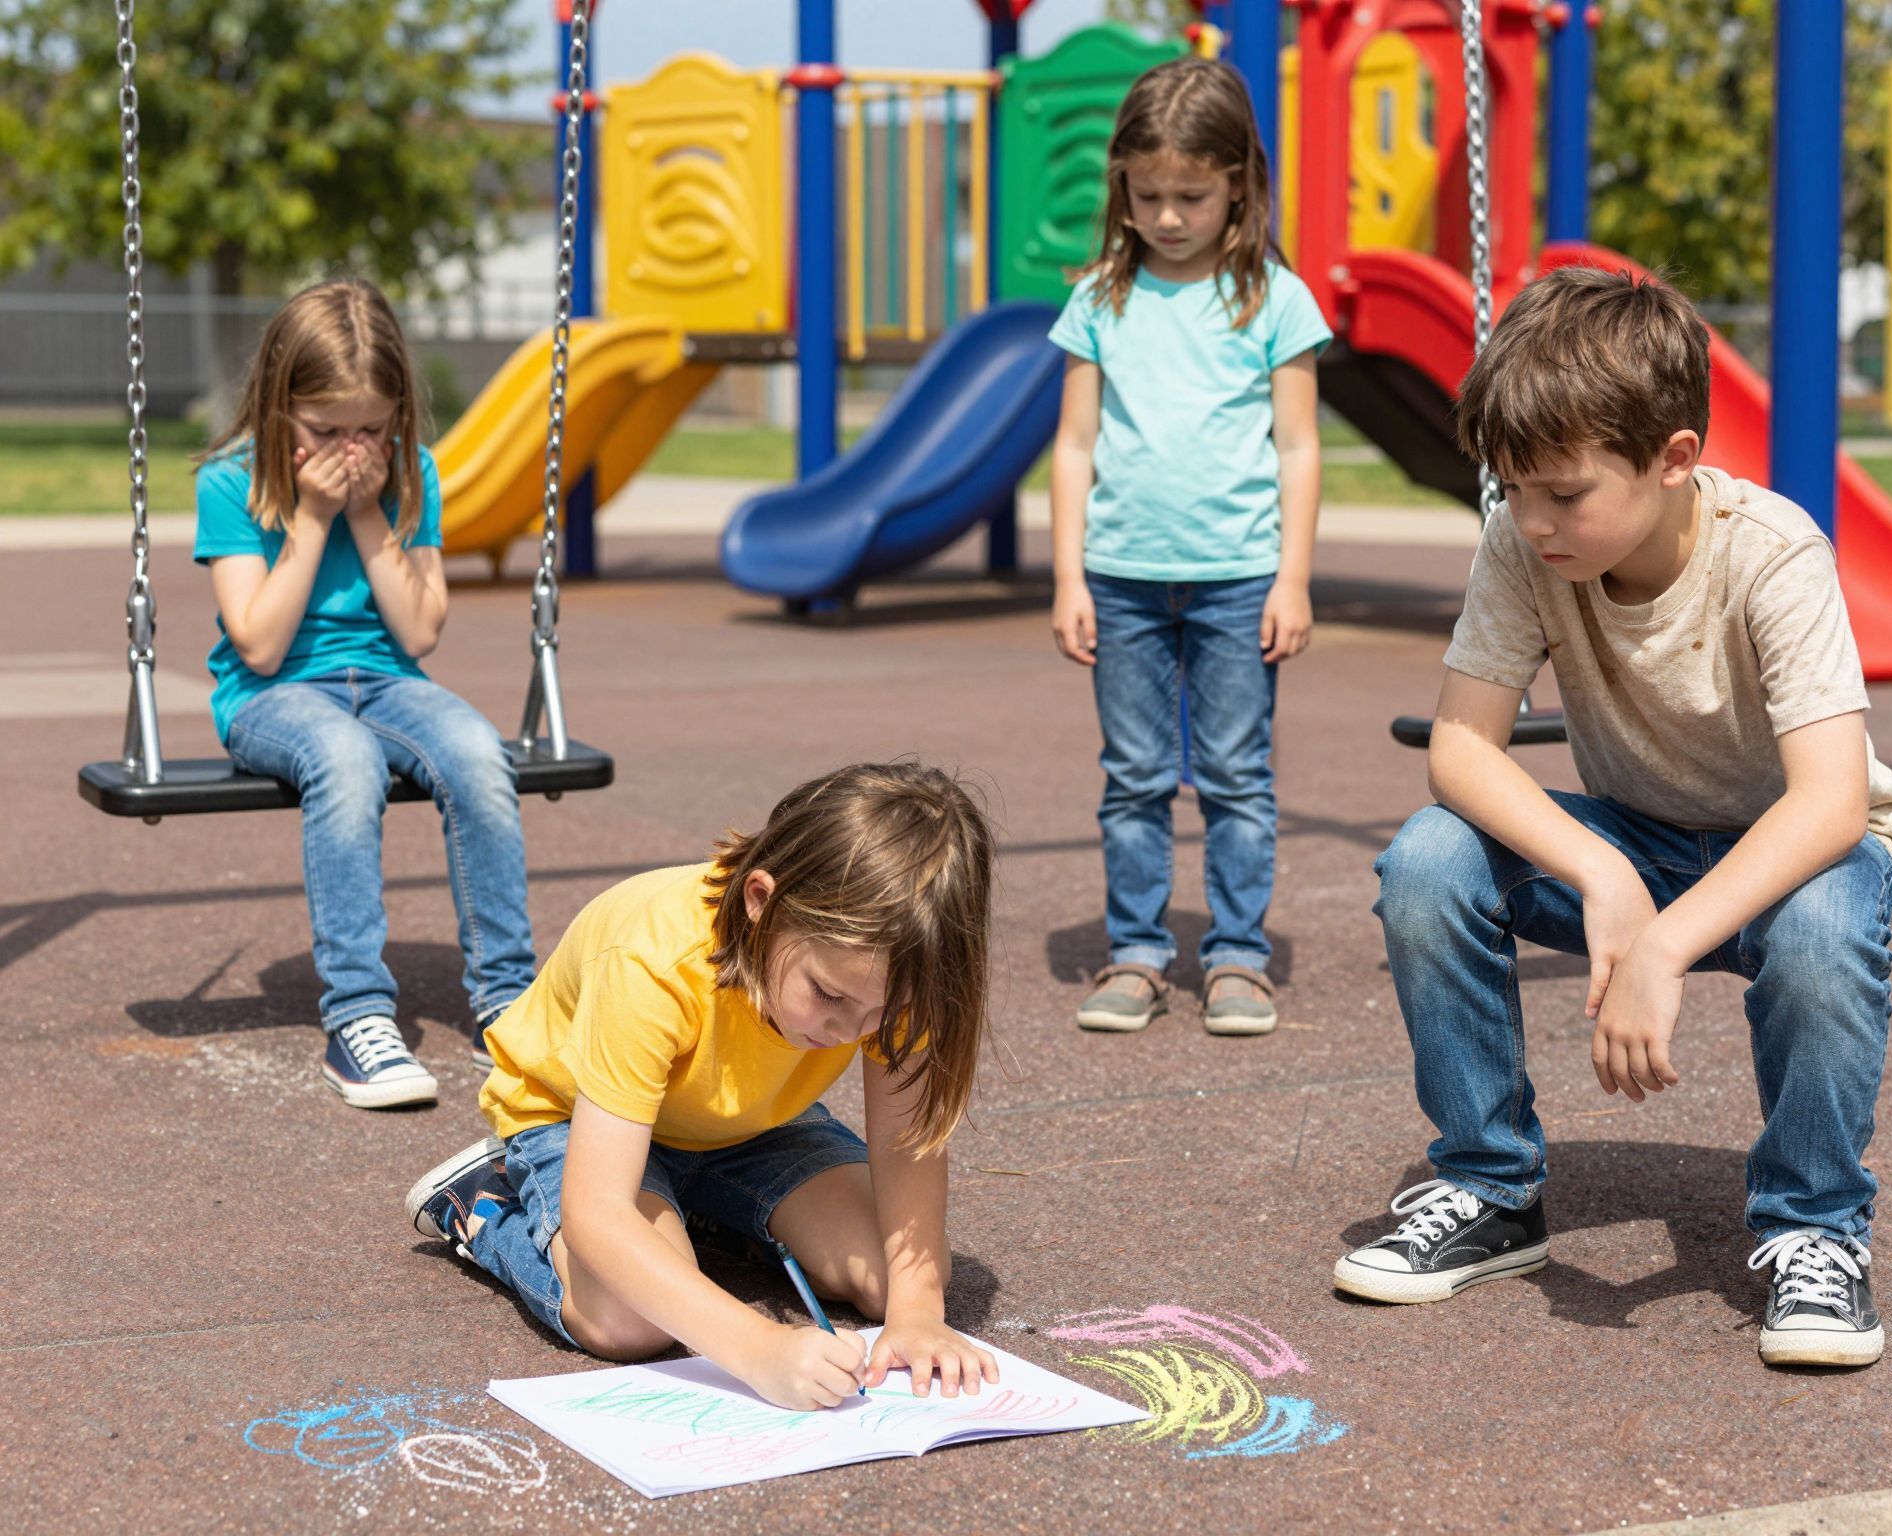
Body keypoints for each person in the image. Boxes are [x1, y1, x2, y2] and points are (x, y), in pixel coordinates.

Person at [1333, 267, 1892, 1370]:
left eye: (1563, 494)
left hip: (1801, 852)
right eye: (1512, 489)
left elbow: (1830, 802)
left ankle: (1815, 1227)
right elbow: (1460, 748)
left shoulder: (1772, 551)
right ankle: (1488, 1188)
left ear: (1674, 458)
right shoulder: (1521, 543)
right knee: (1428, 863)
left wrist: (1663, 942)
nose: (1533, 520)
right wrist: (1606, 880)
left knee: (1821, 935)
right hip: (1635, 835)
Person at [405, 762, 1002, 1410]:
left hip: (752, 1124)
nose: (849, 1030)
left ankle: (704, 1214)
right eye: (828, 994)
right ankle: (485, 1206)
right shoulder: (653, 959)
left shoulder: (905, 959)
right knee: (627, 1322)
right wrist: (759, 1349)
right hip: (575, 1117)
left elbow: (907, 1142)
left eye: (881, 1014)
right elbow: (599, 1211)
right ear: (761, 901)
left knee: (900, 1274)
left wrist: (918, 1313)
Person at [193, 279, 537, 1109]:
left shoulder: (412, 474)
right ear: (280, 409)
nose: (352, 450)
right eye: (326, 430)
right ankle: (357, 1015)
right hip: (274, 696)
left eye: (371, 430)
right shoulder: (231, 482)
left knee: (478, 752)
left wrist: (368, 513)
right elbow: (260, 644)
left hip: (389, 680)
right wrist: (313, 516)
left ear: (397, 419)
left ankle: (510, 1002)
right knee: (346, 761)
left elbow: (418, 632)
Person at [1047, 56, 1331, 1038]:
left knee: (1235, 776)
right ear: (1120, 186)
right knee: (1131, 776)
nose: (1166, 216)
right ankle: (1135, 953)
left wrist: (1293, 579)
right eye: (1146, 195)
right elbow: (1073, 445)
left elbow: (1298, 447)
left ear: (1238, 186)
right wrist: (1067, 576)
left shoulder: (1275, 301)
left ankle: (1237, 957)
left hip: (1239, 579)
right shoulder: (1099, 300)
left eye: (1191, 197)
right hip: (1120, 580)